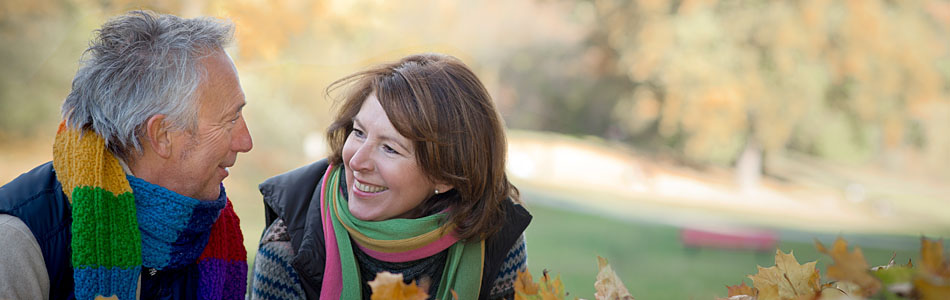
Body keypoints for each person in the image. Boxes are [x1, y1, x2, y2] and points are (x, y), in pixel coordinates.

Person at [0, 10, 253, 300]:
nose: (246, 142)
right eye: (230, 120)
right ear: (162, 134)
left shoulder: (210, 227)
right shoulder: (17, 243)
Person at [249, 53, 532, 299]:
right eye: (358, 133)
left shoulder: (492, 234)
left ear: (447, 175)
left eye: (389, 148)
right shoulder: (287, 247)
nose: (357, 161)